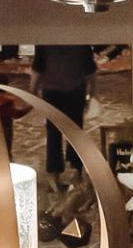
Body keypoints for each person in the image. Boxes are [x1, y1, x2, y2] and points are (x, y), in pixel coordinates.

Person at [34, 43, 94, 177]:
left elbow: (38, 66)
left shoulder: (45, 41)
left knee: (53, 133)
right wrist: (91, 94)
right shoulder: (81, 41)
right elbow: (89, 69)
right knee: (75, 131)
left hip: (52, 90)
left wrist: (33, 90)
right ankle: (76, 169)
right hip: (75, 90)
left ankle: (55, 172)